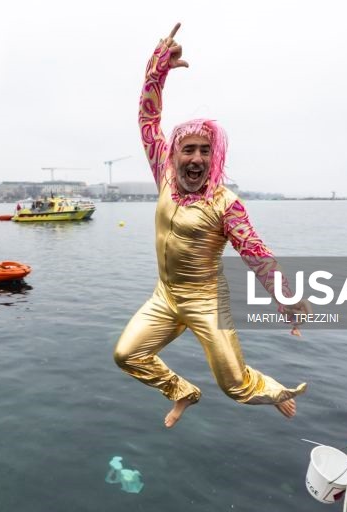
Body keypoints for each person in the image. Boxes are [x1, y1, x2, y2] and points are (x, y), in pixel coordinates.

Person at [113, 23, 311, 428]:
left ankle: (274, 393)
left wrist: (285, 297)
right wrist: (157, 69)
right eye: (189, 150)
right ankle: (182, 391)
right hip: (166, 296)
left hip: (206, 301)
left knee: (236, 387)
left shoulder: (226, 204)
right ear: (175, 154)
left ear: (214, 156)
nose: (196, 159)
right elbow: (148, 120)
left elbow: (255, 252)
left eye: (205, 151)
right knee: (126, 354)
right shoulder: (165, 176)